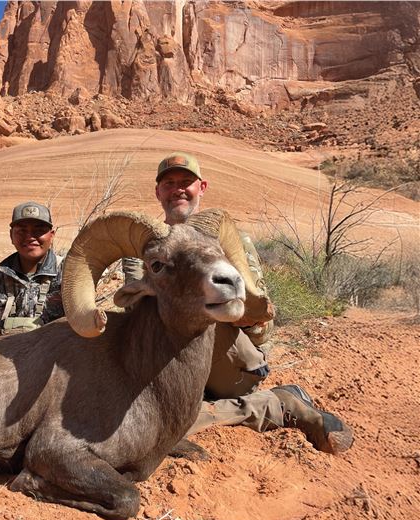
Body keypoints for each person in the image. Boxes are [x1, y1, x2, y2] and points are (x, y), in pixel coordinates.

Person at [124, 152, 353, 455]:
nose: (178, 189)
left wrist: (238, 310)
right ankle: (273, 403)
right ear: (158, 192)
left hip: (230, 362)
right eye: (169, 183)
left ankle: (271, 404)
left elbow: (261, 321)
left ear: (202, 187)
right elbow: (134, 310)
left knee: (195, 316)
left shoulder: (231, 240)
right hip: (167, 358)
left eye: (186, 182)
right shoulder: (144, 248)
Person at [0, 201, 64, 347]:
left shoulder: (69, 273)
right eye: (22, 231)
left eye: (39, 230)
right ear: (11, 236)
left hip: (55, 354)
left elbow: (84, 324)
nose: (30, 237)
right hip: (4, 355)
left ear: (51, 235)